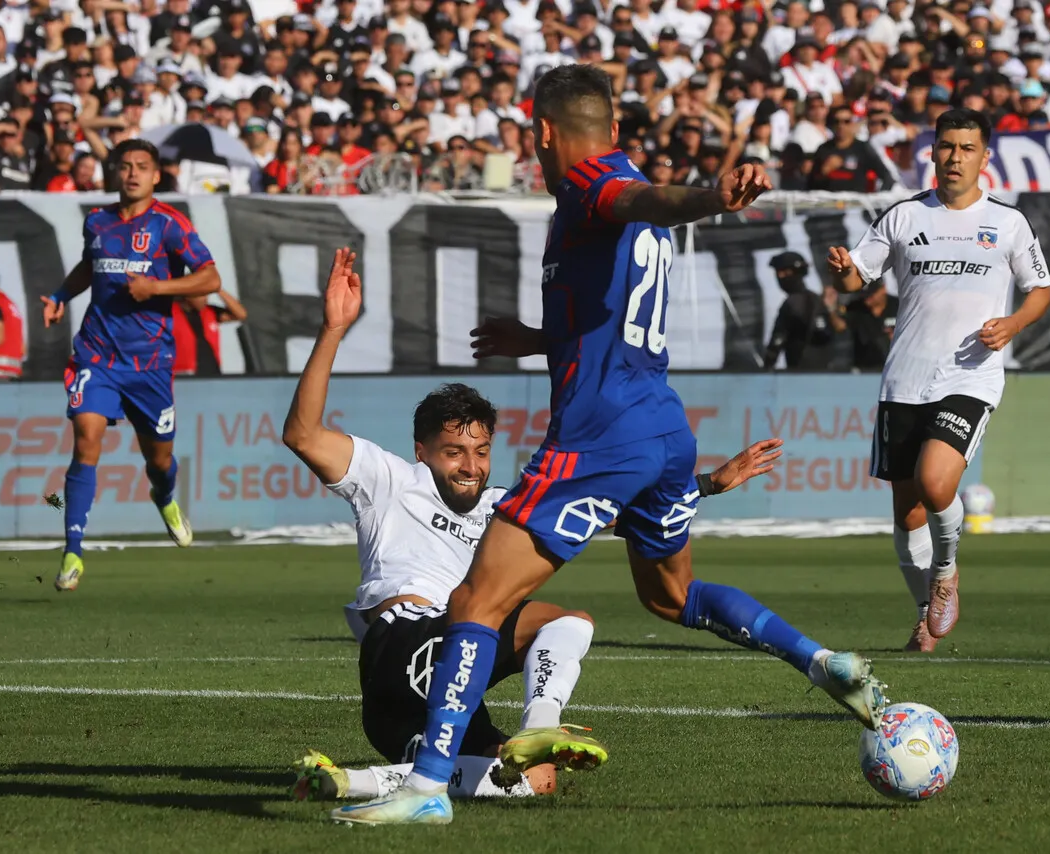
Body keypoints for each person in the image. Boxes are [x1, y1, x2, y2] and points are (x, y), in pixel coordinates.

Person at [331, 64, 887, 828]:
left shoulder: (594, 185)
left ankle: (426, 789)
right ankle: (821, 661)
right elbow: (610, 294)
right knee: (670, 597)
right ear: (617, 128)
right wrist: (535, 339)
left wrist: (712, 198)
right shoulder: (613, 190)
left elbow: (642, 198)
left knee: (475, 601)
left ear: (542, 135)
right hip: (661, 421)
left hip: (599, 431)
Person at [282, 252, 780, 803]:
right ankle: (541, 721)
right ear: (421, 451)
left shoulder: (507, 507)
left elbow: (614, 515)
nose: (469, 466)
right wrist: (332, 330)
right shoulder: (390, 479)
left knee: (531, 783)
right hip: (404, 641)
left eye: (479, 450)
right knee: (567, 619)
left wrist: (706, 483)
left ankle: (347, 780)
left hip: (422, 687)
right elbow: (303, 434)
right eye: (453, 452)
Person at [826, 108, 1050, 653]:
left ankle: (946, 571)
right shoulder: (903, 216)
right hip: (904, 378)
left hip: (969, 375)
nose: (955, 157)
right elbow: (861, 273)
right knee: (906, 510)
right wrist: (843, 273)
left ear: (984, 157)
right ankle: (926, 615)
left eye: (967, 148)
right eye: (947, 146)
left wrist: (1015, 323)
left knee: (935, 485)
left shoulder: (1008, 223)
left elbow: (1039, 289)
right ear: (932, 152)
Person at [41, 138, 220, 593]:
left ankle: (163, 496)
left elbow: (210, 278)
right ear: (113, 173)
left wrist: (157, 289)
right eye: (124, 166)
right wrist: (61, 296)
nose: (132, 173)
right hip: (96, 354)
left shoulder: (169, 224)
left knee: (158, 459)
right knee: (86, 437)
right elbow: (90, 266)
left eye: (142, 166)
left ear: (156, 175)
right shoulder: (97, 221)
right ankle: (73, 551)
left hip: (151, 364)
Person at [762, 250, 844, 372]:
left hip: (801, 374)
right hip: (825, 372)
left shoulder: (792, 303)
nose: (781, 277)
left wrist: (767, 366)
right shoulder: (817, 300)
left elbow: (778, 339)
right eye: (779, 273)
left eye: (785, 273)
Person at [172, 290, 248, 377]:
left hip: (212, 372)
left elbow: (241, 314)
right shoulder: (169, 312)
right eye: (201, 296)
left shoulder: (210, 311)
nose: (205, 299)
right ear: (188, 296)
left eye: (207, 295)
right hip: (183, 374)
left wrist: (218, 289)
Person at [844, 280, 898, 371]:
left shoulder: (899, 305)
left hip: (896, 365)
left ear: (883, 289)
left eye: (871, 294)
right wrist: (831, 309)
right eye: (865, 294)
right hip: (865, 368)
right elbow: (841, 326)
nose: (867, 298)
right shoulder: (856, 307)